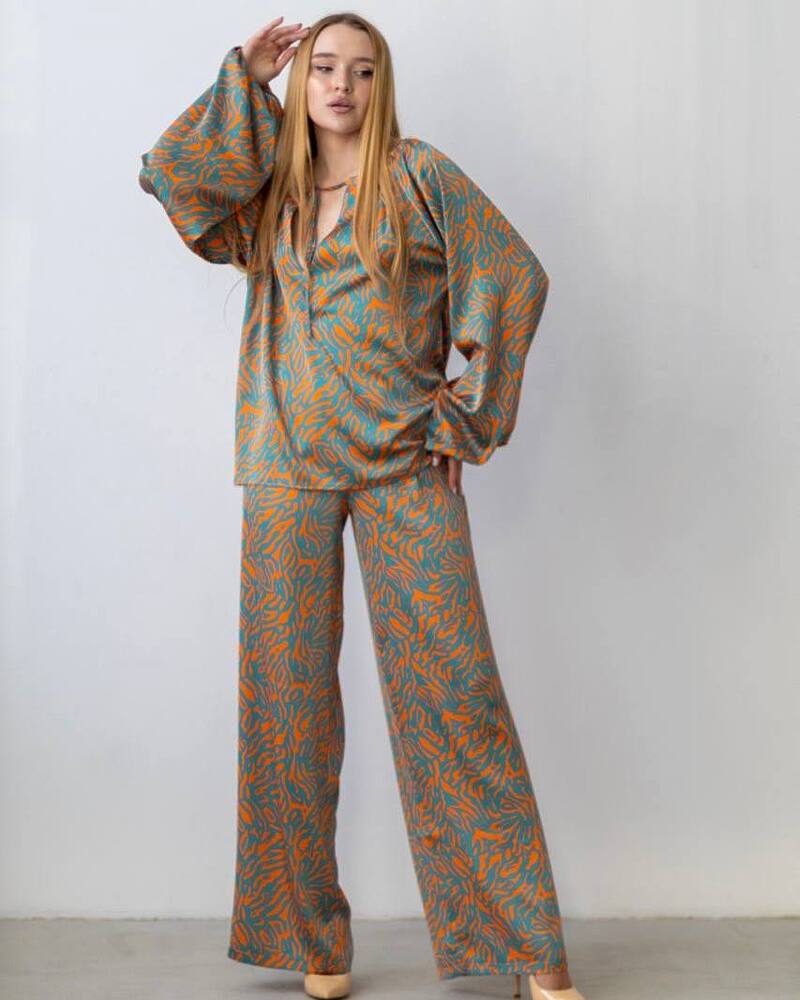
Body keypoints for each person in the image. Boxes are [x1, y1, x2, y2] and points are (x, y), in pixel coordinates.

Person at [138, 12, 586, 1000]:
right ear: (301, 84)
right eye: (324, 68)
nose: (341, 85)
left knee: (456, 698)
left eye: (363, 71)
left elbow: (513, 278)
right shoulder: (267, 193)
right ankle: (312, 938)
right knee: (286, 704)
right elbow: (176, 183)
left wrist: (465, 417)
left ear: (383, 87)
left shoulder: (418, 176)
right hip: (284, 465)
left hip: (402, 468)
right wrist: (243, 79)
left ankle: (526, 947)